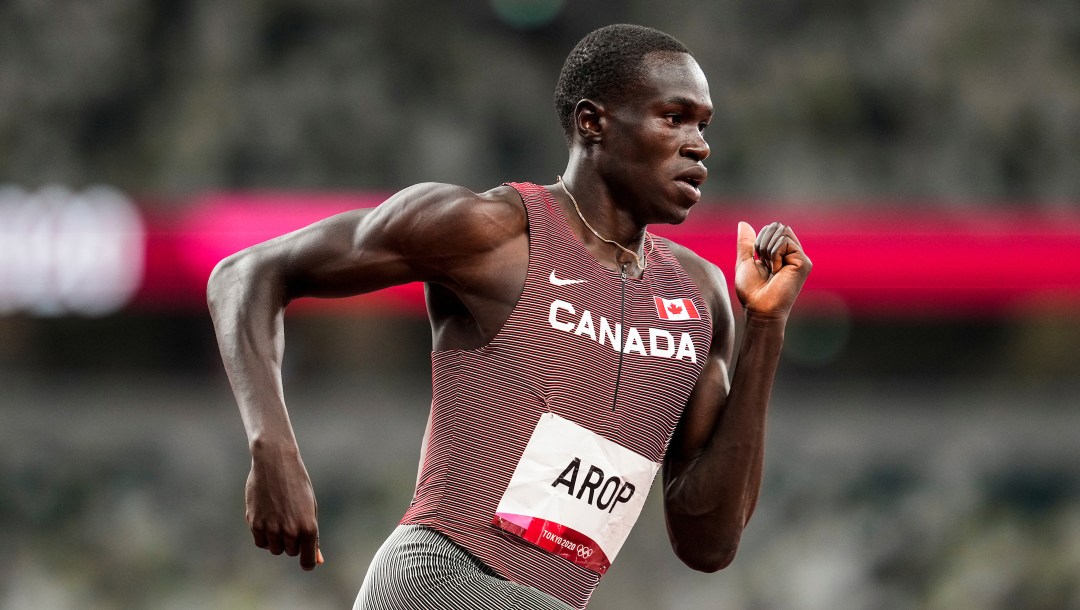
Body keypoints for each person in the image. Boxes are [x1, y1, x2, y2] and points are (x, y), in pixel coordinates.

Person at [208, 23, 811, 610]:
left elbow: (708, 544)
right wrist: (272, 447)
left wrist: (766, 328)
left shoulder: (699, 298)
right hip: (440, 578)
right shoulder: (492, 233)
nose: (699, 144)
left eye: (704, 126)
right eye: (674, 118)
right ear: (591, 123)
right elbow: (246, 274)